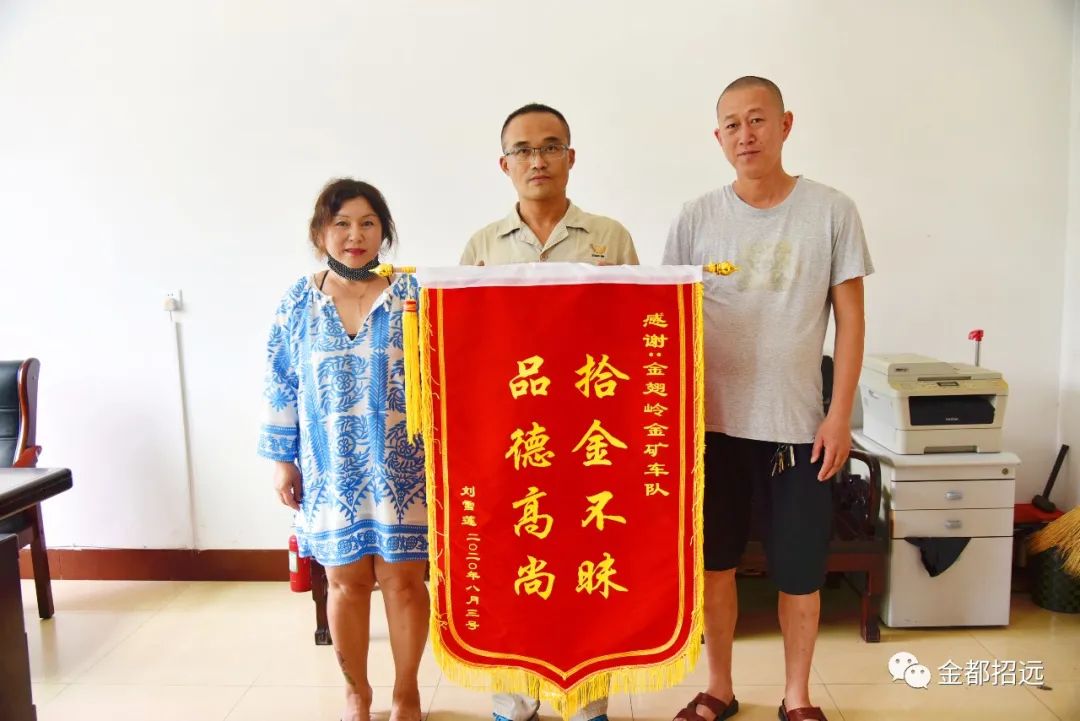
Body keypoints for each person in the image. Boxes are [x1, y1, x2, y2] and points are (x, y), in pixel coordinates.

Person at [662, 77, 873, 721]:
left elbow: (852, 321)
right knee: (716, 566)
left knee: (801, 572)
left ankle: (797, 696)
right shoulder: (696, 216)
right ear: (718, 137)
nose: (745, 134)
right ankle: (719, 688)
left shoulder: (831, 211)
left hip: (799, 428)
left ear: (786, 125)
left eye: (757, 120)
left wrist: (838, 416)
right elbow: (667, 318)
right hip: (712, 427)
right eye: (731, 124)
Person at [463, 103, 639, 721]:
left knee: (586, 565)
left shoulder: (609, 237)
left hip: (588, 436)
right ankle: (513, 699)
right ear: (504, 164)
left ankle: (586, 698)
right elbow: (466, 349)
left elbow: (639, 335)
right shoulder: (483, 246)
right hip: (513, 438)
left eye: (550, 146)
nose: (536, 160)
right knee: (514, 566)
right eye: (523, 149)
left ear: (571, 156)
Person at [259, 178, 428, 721]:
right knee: (345, 583)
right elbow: (280, 382)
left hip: (404, 469)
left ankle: (406, 692)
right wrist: (283, 460)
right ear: (320, 233)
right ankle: (357, 693)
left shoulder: (414, 294)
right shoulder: (299, 300)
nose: (356, 235)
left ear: (384, 232)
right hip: (330, 469)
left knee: (404, 583)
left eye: (368, 223)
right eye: (342, 224)